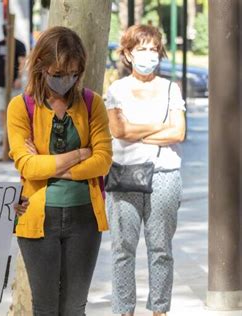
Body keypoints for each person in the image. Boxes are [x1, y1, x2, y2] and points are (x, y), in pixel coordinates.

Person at [7, 26, 113, 316]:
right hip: (38, 218)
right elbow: (27, 166)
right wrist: (79, 154)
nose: (66, 79)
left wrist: (50, 166)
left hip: (85, 219)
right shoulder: (21, 107)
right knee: (45, 308)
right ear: (40, 67)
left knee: (74, 307)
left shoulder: (93, 104)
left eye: (73, 73)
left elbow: (103, 160)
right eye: (58, 73)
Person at [105, 25, 186, 316]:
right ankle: (124, 310)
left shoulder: (169, 88)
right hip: (124, 174)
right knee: (122, 249)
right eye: (141, 48)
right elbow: (118, 130)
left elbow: (178, 133)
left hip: (165, 173)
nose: (148, 55)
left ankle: (160, 310)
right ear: (127, 53)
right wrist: (159, 128)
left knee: (161, 249)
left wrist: (135, 132)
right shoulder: (117, 89)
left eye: (153, 49)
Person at [0, 24, 26, 146]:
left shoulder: (18, 45)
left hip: (14, 84)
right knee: (2, 111)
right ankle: (6, 137)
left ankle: (14, 138)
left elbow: (22, 62)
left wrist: (19, 78)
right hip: (0, 82)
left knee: (16, 111)